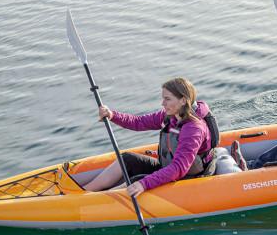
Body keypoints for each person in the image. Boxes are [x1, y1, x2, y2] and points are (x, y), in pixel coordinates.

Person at [85, 77, 217, 196]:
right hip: (169, 167)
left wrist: (144, 184)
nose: (162, 103)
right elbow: (138, 122)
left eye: (167, 99)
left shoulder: (193, 128)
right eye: (163, 98)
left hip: (188, 177)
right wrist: (112, 115)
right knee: (127, 159)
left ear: (183, 100)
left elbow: (179, 168)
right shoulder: (169, 116)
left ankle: (95, 200)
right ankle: (85, 192)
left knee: (137, 181)